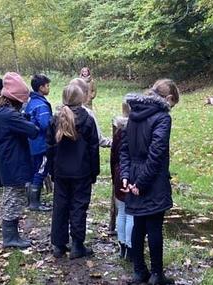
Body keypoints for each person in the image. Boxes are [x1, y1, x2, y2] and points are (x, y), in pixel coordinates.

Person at [120, 79, 179, 284]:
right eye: (172, 105)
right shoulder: (162, 118)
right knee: (153, 226)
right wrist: (140, 182)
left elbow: (124, 149)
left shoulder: (133, 112)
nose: (171, 109)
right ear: (168, 99)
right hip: (151, 178)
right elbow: (156, 154)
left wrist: (127, 176)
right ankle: (156, 274)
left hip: (137, 175)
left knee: (138, 223)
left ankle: (139, 271)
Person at [47, 84, 99, 259]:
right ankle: (77, 245)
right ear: (81, 98)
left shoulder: (55, 119)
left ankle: (59, 246)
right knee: (78, 206)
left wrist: (52, 171)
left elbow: (50, 148)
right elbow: (93, 148)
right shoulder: (87, 120)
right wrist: (94, 172)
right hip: (81, 171)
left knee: (60, 206)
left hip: (61, 171)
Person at [0, 72, 40, 248]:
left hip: (7, 159)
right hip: (13, 160)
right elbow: (33, 131)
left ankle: (11, 234)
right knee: (13, 198)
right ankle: (10, 237)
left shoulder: (0, 110)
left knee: (11, 196)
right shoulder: (10, 115)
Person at [25, 74, 53, 212]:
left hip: (31, 143)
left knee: (33, 170)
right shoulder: (41, 104)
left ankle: (30, 200)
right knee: (40, 171)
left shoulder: (31, 102)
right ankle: (34, 203)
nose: (49, 88)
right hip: (41, 144)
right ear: (41, 87)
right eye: (47, 86)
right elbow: (45, 124)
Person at [111, 98, 133, 260]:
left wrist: (114, 176)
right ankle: (130, 247)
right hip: (131, 174)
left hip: (119, 174)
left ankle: (122, 245)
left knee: (122, 212)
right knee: (131, 213)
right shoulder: (136, 130)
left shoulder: (118, 131)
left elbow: (113, 156)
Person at [69, 78, 112, 148]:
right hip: (83, 157)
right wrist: (114, 142)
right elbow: (98, 139)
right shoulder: (88, 114)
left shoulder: (59, 113)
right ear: (84, 94)